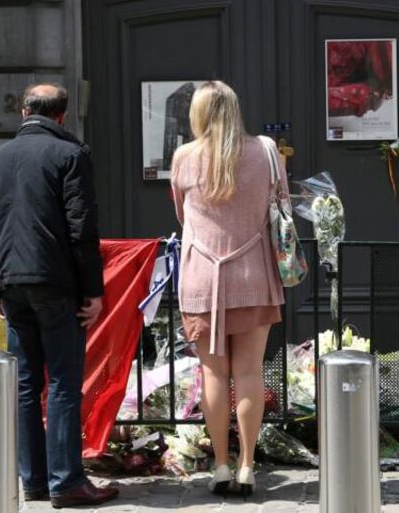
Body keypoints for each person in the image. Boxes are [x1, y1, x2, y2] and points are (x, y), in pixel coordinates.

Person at [0, 83, 118, 507]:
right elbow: (81, 230)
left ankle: (33, 481)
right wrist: (93, 290)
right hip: (56, 283)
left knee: (24, 385)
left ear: (23, 112)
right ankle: (67, 481)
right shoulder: (71, 155)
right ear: (61, 117)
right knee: (62, 384)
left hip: (11, 283)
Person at [170, 81, 289, 497]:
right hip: (254, 274)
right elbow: (283, 207)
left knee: (213, 373)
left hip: (203, 277)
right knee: (250, 372)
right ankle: (247, 467)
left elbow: (183, 216)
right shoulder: (267, 151)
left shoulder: (184, 157)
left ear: (198, 114)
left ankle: (220, 464)